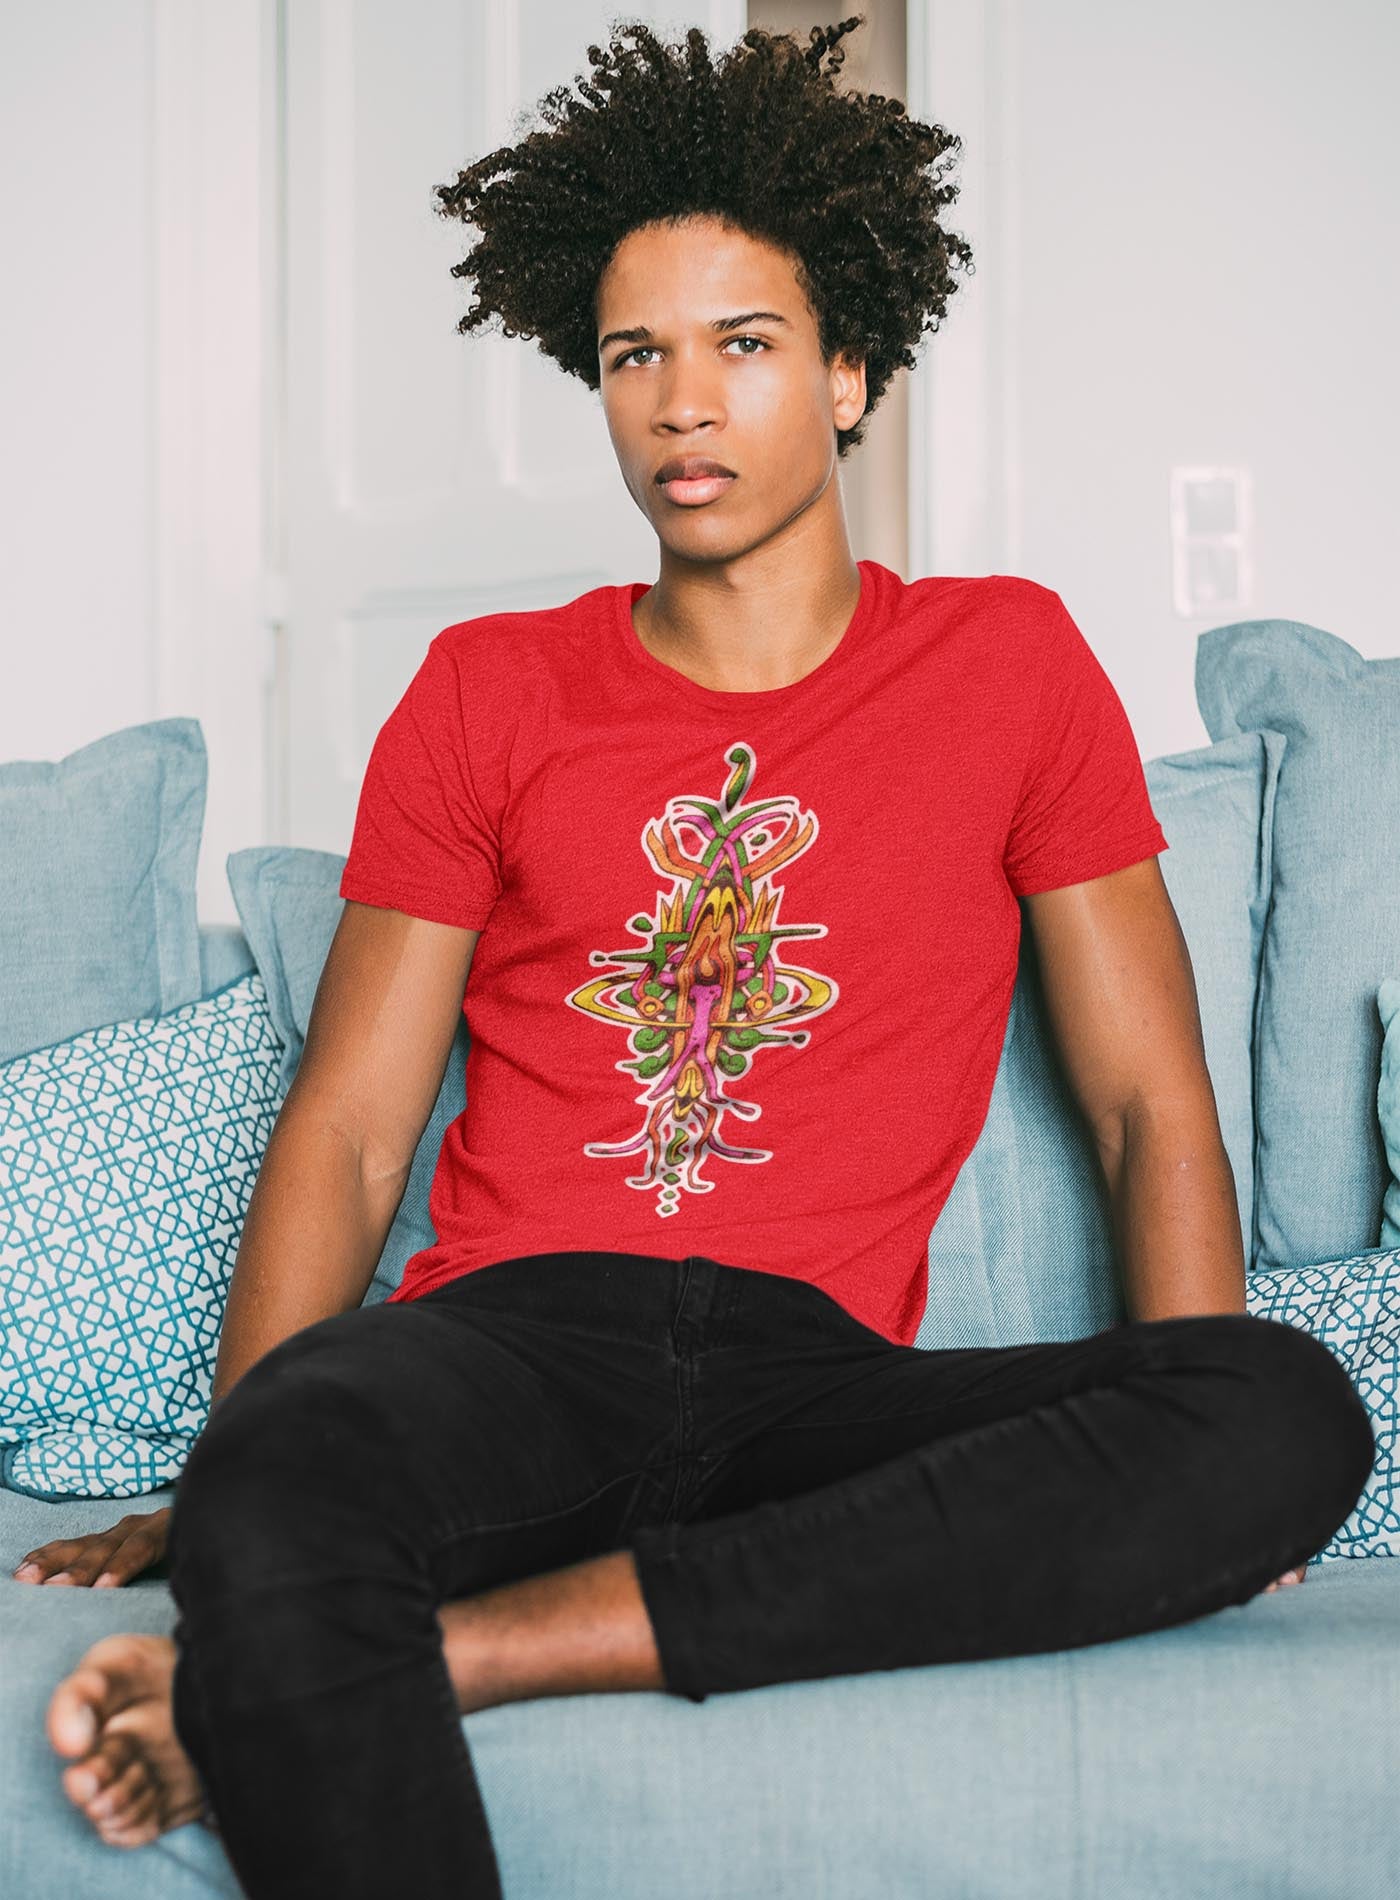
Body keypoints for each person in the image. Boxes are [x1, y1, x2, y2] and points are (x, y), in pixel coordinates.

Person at [20, 16, 1373, 1896]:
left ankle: (448, 1654)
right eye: (634, 356)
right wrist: (226, 1481)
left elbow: (1151, 1105)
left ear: (848, 374)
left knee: (1279, 1410)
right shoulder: (490, 690)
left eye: (741, 347)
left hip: (813, 1383)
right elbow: (342, 1132)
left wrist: (1195, 1458)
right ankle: (314, 1592)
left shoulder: (1005, 666)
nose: (681, 405)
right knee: (291, 1454)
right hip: (510, 1345)